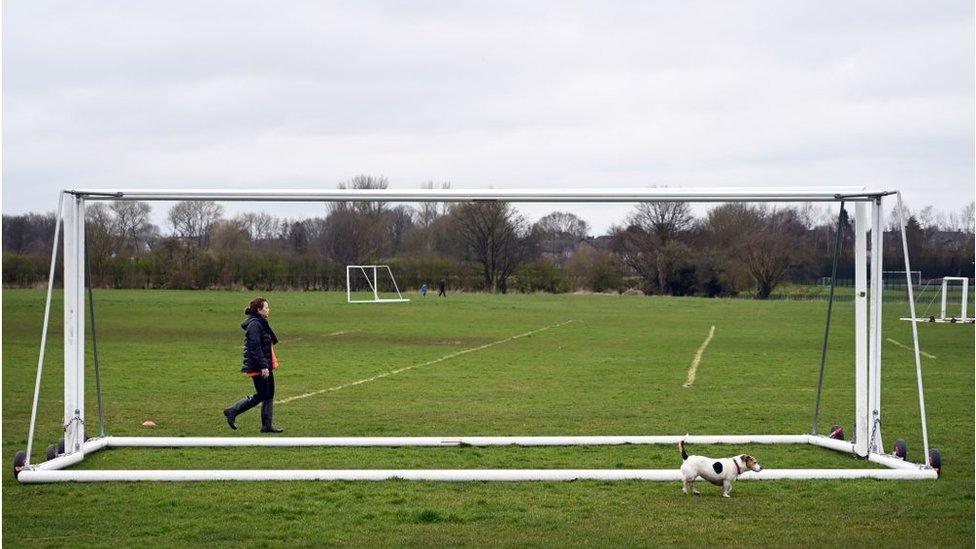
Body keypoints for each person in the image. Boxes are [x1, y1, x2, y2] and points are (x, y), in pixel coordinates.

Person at [223, 297, 283, 433]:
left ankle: (267, 425)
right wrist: (263, 366)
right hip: (259, 366)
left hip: (266, 363)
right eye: (266, 307)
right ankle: (232, 411)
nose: (268, 309)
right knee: (262, 394)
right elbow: (255, 347)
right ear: (259, 310)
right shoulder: (254, 325)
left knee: (269, 394)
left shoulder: (261, 322)